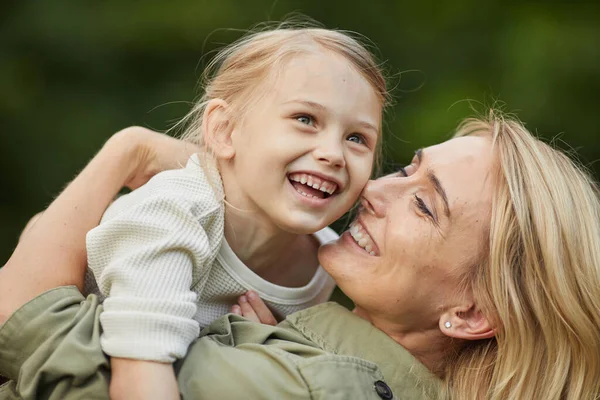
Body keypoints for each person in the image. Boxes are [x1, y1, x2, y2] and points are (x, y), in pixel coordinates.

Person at [1, 111, 599, 399]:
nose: (373, 189)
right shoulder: (311, 359)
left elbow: (25, 322)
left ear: (470, 315)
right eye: (406, 169)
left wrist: (125, 153)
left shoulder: (313, 387)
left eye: (426, 207)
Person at [78, 25, 388, 399]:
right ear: (225, 130)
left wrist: (272, 351)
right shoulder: (173, 213)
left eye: (357, 138)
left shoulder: (327, 261)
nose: (333, 154)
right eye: (305, 119)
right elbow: (139, 378)